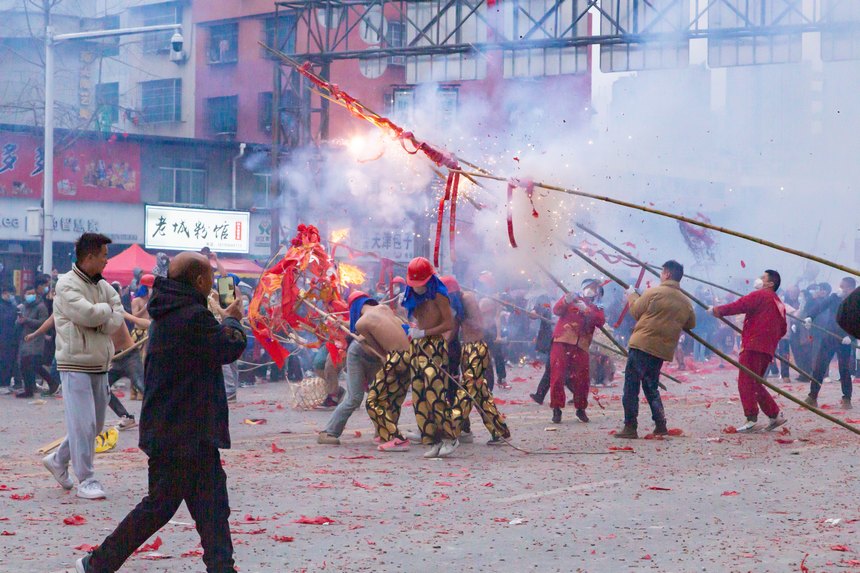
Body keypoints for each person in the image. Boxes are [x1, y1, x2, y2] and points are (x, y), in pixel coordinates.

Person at [74, 251, 247, 573]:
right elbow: (229, 347)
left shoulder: (170, 308)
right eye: (210, 275)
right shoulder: (192, 316)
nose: (213, 282)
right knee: (160, 506)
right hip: (180, 433)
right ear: (198, 280)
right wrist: (234, 319)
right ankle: (96, 564)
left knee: (212, 507)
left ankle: (221, 567)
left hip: (185, 431)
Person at [44, 233, 125, 500]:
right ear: (89, 257)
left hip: (100, 363)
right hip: (74, 363)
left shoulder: (102, 286)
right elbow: (87, 314)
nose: (106, 260)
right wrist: (104, 315)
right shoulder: (66, 284)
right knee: (84, 424)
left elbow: (118, 314)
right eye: (103, 255)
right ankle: (86, 479)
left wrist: (100, 317)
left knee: (94, 424)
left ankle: (58, 459)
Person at [616, 260, 695, 439]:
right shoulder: (685, 301)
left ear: (666, 274)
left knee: (631, 387)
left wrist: (631, 295)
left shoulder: (654, 292)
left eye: (662, 272)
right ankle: (660, 425)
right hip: (661, 350)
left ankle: (630, 427)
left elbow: (636, 311)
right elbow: (691, 323)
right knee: (651, 386)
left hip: (641, 345)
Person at [710, 270, 788, 432]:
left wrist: (717, 311)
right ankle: (774, 414)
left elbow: (739, 306)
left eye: (762, 277)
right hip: (766, 349)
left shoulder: (760, 295)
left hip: (753, 346)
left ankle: (751, 418)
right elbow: (783, 329)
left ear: (770, 284)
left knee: (746, 381)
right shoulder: (779, 303)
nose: (758, 279)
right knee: (755, 382)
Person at [402, 257, 459, 458]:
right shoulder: (412, 295)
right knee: (418, 393)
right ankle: (431, 439)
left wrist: (425, 333)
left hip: (434, 344)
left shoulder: (439, 295)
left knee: (435, 392)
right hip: (418, 345)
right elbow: (414, 318)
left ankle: (450, 437)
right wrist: (413, 330)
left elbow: (449, 324)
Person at [447, 276, 511, 445]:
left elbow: (478, 324)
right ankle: (500, 431)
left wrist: (458, 317)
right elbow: (452, 332)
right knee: (481, 395)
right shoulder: (459, 301)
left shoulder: (467, 298)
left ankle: (449, 432)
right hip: (467, 348)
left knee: (467, 392)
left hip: (476, 348)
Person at [317, 292, 387, 446]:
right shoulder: (363, 321)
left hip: (375, 358)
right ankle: (328, 432)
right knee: (354, 397)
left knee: (380, 396)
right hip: (358, 356)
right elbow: (358, 326)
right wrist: (340, 323)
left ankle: (384, 432)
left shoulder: (382, 314)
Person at [549, 280, 606, 424]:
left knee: (582, 378)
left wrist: (587, 310)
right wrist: (565, 301)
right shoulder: (571, 298)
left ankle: (581, 408)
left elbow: (600, 321)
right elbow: (556, 310)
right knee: (557, 375)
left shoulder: (597, 307)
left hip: (581, 345)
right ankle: (556, 408)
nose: (591, 290)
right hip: (562, 340)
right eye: (589, 287)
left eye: (594, 288)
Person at [805, 277, 857, 409]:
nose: (840, 288)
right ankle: (812, 396)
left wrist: (851, 337)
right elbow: (820, 306)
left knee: (844, 369)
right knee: (819, 367)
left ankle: (847, 398)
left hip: (844, 340)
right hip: (829, 336)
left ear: (851, 288)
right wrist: (810, 316)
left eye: (843, 286)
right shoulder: (834, 297)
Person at [15, 286, 49, 398]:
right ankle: (29, 389)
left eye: (32, 293)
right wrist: (19, 321)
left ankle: (33, 388)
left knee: (32, 363)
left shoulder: (41, 306)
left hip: (36, 338)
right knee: (24, 365)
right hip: (24, 338)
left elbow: (44, 323)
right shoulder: (24, 306)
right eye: (28, 293)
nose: (30, 295)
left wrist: (27, 320)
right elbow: (19, 322)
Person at [0, 284, 17, 391]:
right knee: (3, 361)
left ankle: (5, 383)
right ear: (5, 293)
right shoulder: (2, 306)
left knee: (8, 361)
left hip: (10, 338)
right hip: (3, 337)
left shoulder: (11, 305)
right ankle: (3, 383)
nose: (12, 296)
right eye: (11, 294)